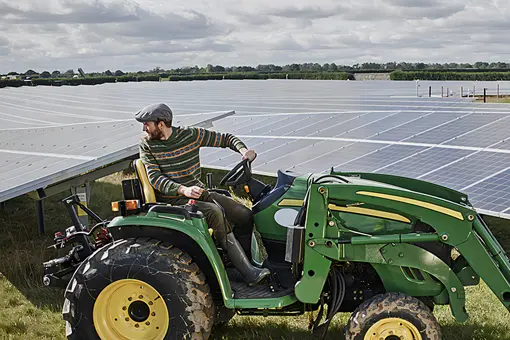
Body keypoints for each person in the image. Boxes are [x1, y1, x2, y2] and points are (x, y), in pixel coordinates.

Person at [135, 103, 270, 286]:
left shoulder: (190, 135)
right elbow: (155, 179)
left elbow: (226, 138)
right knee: (214, 212)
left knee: (244, 215)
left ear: (161, 124)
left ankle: (238, 262)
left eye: (147, 124)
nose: (144, 128)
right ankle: (248, 273)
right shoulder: (147, 144)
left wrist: (244, 151)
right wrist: (183, 189)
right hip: (173, 200)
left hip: (198, 192)